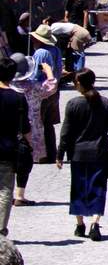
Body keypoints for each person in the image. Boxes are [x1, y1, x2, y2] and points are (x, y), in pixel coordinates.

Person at [56, 69, 108, 242]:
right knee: (98, 187)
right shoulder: (105, 102)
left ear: (79, 84)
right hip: (99, 152)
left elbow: (66, 132)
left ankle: (80, 224)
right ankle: (95, 223)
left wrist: (60, 153)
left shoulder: (73, 104)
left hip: (77, 153)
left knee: (78, 188)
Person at [8, 53, 58, 207]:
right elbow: (51, 87)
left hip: (9, 128)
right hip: (31, 129)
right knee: (25, 163)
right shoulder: (34, 87)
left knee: (7, 163)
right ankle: (19, 194)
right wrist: (48, 71)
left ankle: (6, 193)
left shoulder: (7, 87)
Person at [0, 54, 31, 237]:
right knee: (4, 190)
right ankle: (0, 230)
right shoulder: (18, 98)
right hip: (7, 148)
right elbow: (25, 127)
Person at [29, 25, 63, 162]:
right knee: (49, 124)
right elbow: (59, 69)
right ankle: (51, 153)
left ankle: (41, 155)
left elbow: (35, 75)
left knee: (39, 122)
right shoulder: (55, 50)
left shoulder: (40, 53)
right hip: (54, 90)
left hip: (42, 90)